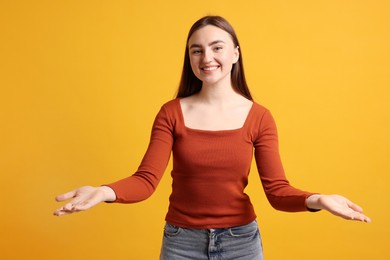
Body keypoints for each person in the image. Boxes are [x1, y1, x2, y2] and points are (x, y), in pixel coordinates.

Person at [54, 15, 371, 259]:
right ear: (190, 59)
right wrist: (104, 191)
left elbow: (277, 192)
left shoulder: (259, 117)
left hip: (241, 244)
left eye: (217, 47)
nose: (207, 57)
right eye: (197, 50)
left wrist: (318, 200)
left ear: (235, 53)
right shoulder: (171, 113)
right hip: (181, 244)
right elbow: (146, 180)